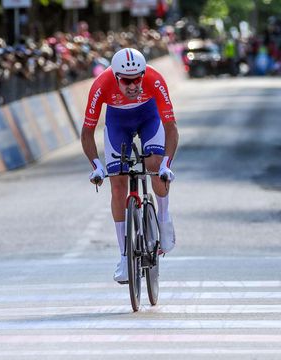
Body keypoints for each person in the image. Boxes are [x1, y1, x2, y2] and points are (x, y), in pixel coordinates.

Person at [80, 48, 179, 283]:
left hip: (148, 116)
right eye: (126, 81)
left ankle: (163, 219)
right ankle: (125, 257)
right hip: (118, 123)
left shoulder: (155, 79)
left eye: (137, 79)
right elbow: (87, 132)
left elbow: (171, 127)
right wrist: (96, 165)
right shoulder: (101, 84)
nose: (133, 86)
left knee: (155, 165)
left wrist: (166, 164)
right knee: (117, 187)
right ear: (115, 77)